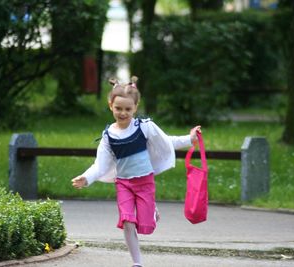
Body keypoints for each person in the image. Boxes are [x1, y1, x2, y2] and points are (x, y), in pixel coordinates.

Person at [72, 76, 201, 267]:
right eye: (118, 108)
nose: (122, 113)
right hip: (123, 183)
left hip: (144, 183)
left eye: (127, 109)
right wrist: (87, 177)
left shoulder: (144, 127)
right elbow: (100, 165)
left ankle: (151, 212)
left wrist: (189, 139)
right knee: (127, 221)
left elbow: (167, 141)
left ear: (135, 107)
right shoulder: (108, 136)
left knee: (146, 225)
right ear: (110, 106)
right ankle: (137, 263)